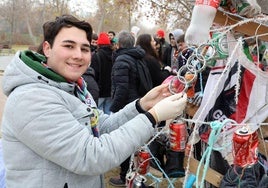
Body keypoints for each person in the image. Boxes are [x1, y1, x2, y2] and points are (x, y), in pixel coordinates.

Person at [1, 14, 187, 188]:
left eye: (84, 48)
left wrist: (142, 106)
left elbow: (101, 126)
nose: (78, 55)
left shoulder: (73, 87)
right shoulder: (32, 98)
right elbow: (90, 156)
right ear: (47, 48)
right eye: (68, 46)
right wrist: (152, 117)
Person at [109, 30, 154, 187]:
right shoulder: (138, 57)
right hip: (138, 103)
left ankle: (125, 176)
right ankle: (135, 176)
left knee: (125, 143)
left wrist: (114, 109)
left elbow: (121, 88)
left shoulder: (122, 60)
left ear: (119, 44)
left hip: (127, 106)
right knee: (136, 143)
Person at [90, 32, 113, 114]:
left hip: (100, 91)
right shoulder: (114, 55)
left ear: (99, 44)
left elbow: (93, 74)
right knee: (108, 113)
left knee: (99, 114)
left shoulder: (96, 56)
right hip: (111, 91)